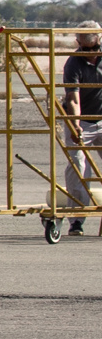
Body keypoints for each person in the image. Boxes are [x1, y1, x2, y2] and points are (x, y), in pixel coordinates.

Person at [63, 21, 102, 235]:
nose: (91, 54)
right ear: (78, 43)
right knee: (78, 163)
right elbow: (73, 98)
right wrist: (75, 124)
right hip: (81, 118)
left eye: (94, 49)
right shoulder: (73, 64)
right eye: (86, 49)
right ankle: (77, 219)